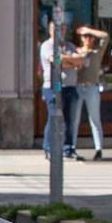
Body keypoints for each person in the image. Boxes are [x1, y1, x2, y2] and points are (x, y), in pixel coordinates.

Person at [38, 20, 81, 160]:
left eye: (63, 29)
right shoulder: (47, 45)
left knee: (70, 119)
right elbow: (55, 61)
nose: (61, 32)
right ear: (51, 31)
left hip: (70, 86)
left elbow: (80, 61)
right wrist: (70, 60)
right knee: (53, 117)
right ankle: (49, 147)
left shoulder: (70, 46)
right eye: (58, 29)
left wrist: (66, 60)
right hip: (53, 86)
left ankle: (68, 148)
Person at [72, 25, 110, 160]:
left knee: (94, 118)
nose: (88, 39)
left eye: (90, 37)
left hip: (92, 87)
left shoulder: (96, 53)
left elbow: (105, 36)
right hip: (78, 86)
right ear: (81, 39)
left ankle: (98, 148)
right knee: (74, 119)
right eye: (85, 36)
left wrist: (88, 30)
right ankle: (72, 146)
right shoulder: (76, 52)